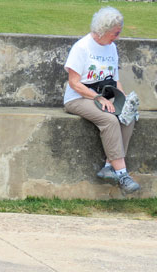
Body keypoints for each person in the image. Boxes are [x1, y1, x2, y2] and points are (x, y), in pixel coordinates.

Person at [63, 7, 140, 194]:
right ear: (103, 31)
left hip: (104, 98)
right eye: (116, 33)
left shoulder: (111, 48)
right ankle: (122, 174)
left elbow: (115, 79)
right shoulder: (81, 47)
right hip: (79, 98)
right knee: (109, 119)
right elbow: (74, 83)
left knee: (127, 116)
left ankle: (108, 166)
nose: (117, 38)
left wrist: (124, 99)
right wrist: (97, 97)